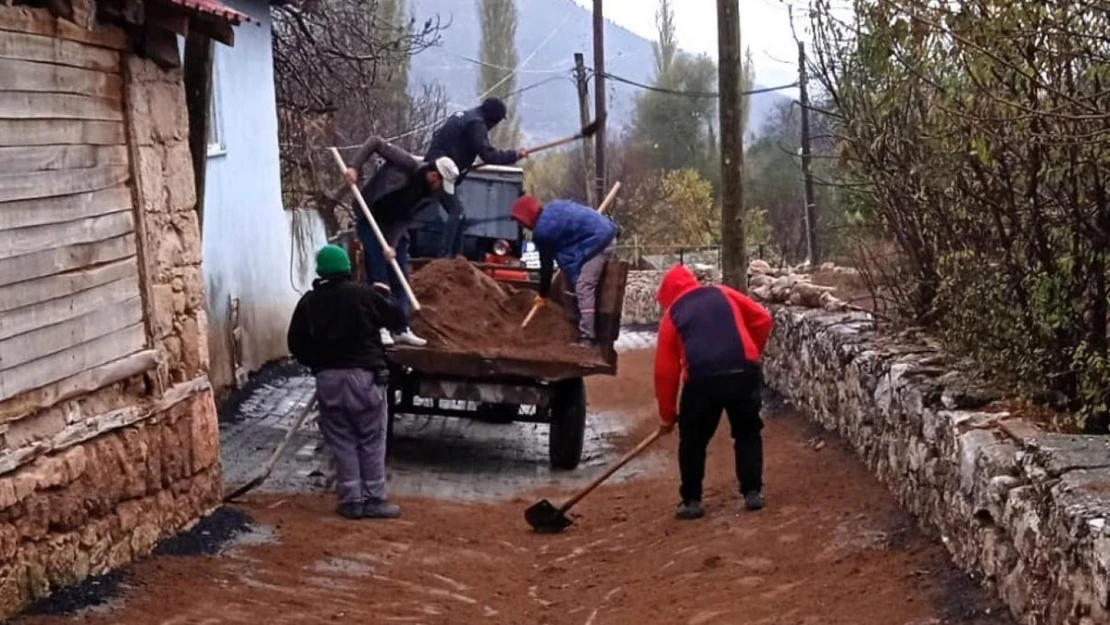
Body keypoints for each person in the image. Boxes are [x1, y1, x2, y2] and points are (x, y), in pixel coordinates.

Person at [287, 245, 405, 520]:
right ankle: (374, 498)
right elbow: (396, 318)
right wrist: (384, 294)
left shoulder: (309, 302)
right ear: (347, 268)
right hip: (364, 378)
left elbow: (296, 343)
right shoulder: (364, 295)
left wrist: (319, 365)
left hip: (328, 380)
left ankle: (351, 501)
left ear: (320, 271)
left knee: (341, 440)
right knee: (371, 438)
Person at [653, 264, 773, 520]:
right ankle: (752, 492)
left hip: (701, 381)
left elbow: (665, 371)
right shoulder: (724, 293)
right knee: (748, 432)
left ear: (667, 294)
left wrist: (667, 414)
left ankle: (692, 500)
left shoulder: (673, 314)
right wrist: (752, 352)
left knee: (693, 441)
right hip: (743, 371)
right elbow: (763, 318)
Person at [343, 135, 460, 347]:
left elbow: (406, 218)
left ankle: (400, 328)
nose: (442, 190)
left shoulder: (430, 196)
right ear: (434, 175)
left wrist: (392, 244)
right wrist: (354, 167)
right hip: (370, 217)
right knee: (378, 273)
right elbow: (374, 142)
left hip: (393, 228)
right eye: (442, 184)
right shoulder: (407, 164)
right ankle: (379, 327)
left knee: (400, 278)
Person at [424, 97, 528, 257]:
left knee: (459, 216)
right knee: (456, 212)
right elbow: (489, 155)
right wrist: (514, 155)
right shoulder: (476, 124)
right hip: (439, 171)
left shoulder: (466, 116)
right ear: (493, 119)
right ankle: (444, 257)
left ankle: (457, 258)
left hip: (437, 165)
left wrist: (462, 162)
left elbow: (440, 136)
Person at [509, 195, 617, 347]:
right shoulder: (553, 207)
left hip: (600, 242)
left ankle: (588, 337)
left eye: (520, 221)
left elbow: (545, 267)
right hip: (600, 233)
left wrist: (543, 294)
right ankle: (574, 327)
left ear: (527, 216)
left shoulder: (543, 231)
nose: (521, 225)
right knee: (571, 282)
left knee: (583, 286)